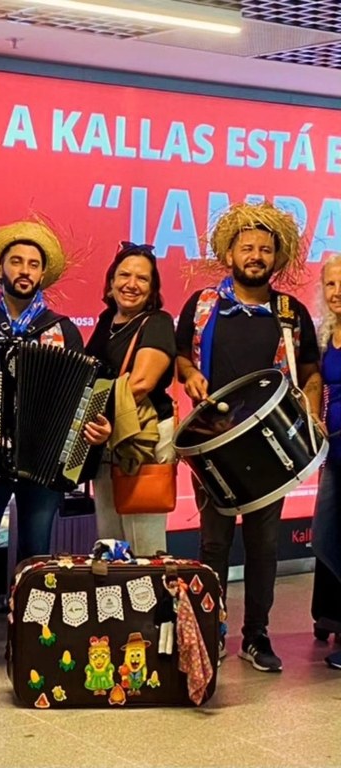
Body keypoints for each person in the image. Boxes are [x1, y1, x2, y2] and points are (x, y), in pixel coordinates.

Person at [0, 219, 112, 668]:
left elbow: (85, 391)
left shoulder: (63, 330)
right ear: (0, 269)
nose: (25, 270)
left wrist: (92, 428)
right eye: (17, 261)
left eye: (34, 263)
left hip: (43, 463)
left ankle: (31, 634)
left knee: (36, 552)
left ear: (41, 274)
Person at [176, 200, 322, 673]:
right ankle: (211, 629)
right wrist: (188, 374)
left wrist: (312, 416)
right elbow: (181, 356)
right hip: (214, 444)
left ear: (275, 259)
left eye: (264, 249)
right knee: (213, 544)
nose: (255, 255)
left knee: (263, 545)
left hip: (270, 447)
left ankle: (256, 636)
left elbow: (312, 372)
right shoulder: (201, 305)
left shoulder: (290, 312)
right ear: (230, 253)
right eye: (247, 247)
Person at [84, 241, 176, 555]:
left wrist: (90, 409)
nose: (131, 284)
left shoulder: (158, 323)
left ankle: (149, 604)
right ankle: (117, 603)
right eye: (124, 275)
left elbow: (140, 383)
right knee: (111, 540)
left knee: (144, 545)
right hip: (107, 438)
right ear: (111, 283)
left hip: (142, 442)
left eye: (142, 279)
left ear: (153, 290)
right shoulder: (105, 322)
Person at [310, 253, 341, 670]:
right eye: (331, 285)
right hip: (334, 452)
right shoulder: (326, 334)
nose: (337, 292)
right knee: (324, 536)